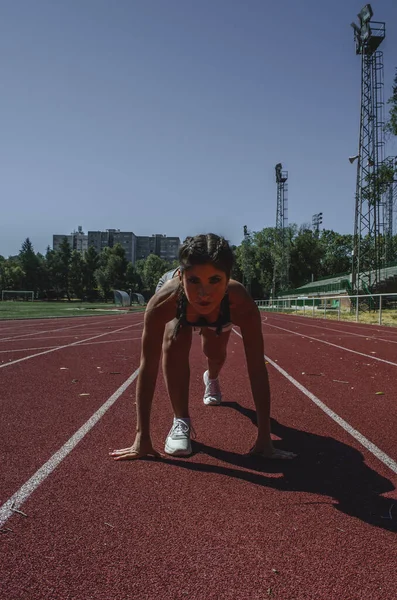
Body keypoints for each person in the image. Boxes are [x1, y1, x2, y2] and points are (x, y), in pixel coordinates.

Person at [110, 233, 296, 461]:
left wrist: (265, 439)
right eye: (194, 280)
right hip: (179, 305)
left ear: (228, 279)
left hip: (221, 312)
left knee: (215, 354)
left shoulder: (241, 303)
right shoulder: (163, 302)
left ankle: (213, 378)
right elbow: (147, 367)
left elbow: (257, 368)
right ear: (181, 275)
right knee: (174, 339)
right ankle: (181, 421)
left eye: (215, 281)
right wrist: (142, 437)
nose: (204, 293)